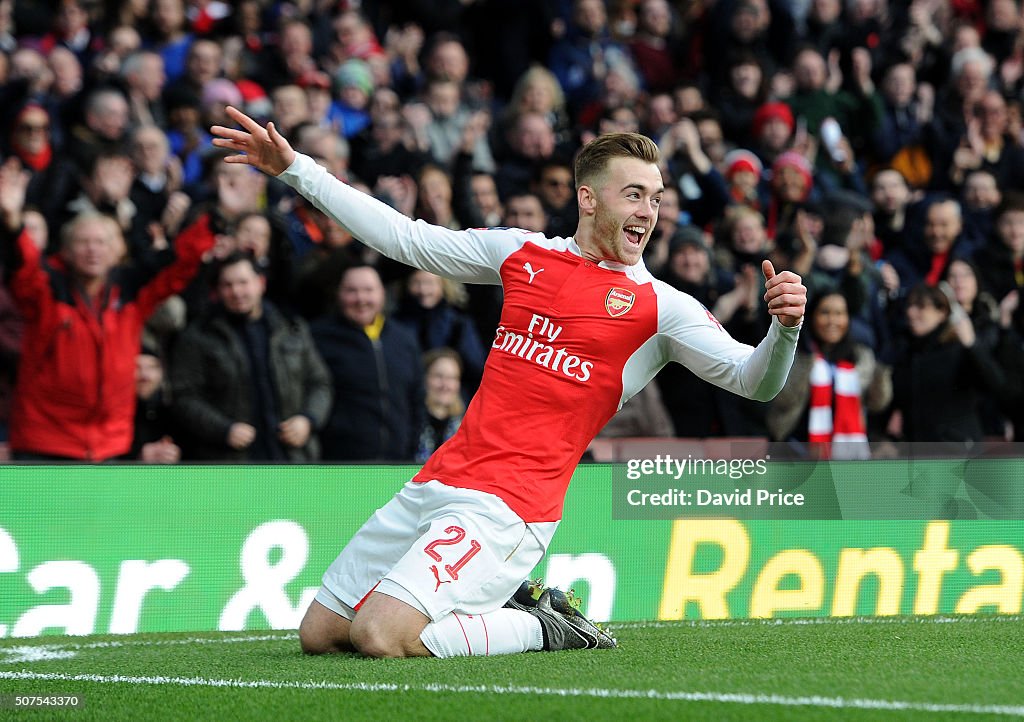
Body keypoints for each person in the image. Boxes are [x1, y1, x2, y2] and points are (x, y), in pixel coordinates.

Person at [211, 107, 806, 659]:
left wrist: (784, 330)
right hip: (440, 480)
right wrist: (296, 169)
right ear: (588, 198)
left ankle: (543, 625)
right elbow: (405, 238)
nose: (649, 211)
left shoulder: (661, 308)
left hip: (510, 509)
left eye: (654, 198)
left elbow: (755, 382)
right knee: (321, 633)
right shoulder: (523, 254)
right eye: (634, 195)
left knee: (379, 635)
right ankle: (511, 605)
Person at [0, 157, 214, 461]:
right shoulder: (46, 292)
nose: (92, 250)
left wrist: (217, 219)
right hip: (45, 443)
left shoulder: (131, 295)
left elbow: (177, 264)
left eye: (101, 243)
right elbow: (24, 270)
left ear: (117, 251)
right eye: (83, 243)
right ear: (67, 252)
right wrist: (12, 221)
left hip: (109, 444)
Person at [170, 251, 333, 462]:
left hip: (293, 460)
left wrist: (308, 420)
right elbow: (184, 395)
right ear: (217, 290)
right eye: (227, 285)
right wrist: (223, 429)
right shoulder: (198, 336)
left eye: (243, 282)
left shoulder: (292, 328)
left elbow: (321, 383)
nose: (236, 291)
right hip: (230, 465)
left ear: (260, 283)